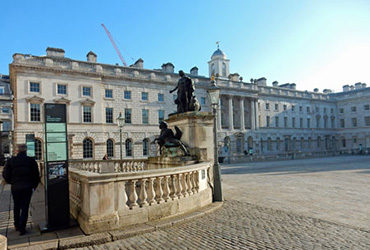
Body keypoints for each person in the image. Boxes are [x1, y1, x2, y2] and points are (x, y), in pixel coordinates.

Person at [2, 144, 40, 235]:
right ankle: (22, 228)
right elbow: (36, 176)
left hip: (16, 187)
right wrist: (33, 186)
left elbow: (5, 174)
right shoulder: (31, 161)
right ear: (26, 151)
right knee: (25, 207)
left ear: (17, 151)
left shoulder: (11, 161)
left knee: (16, 206)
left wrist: (11, 182)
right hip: (27, 187)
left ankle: (16, 225)